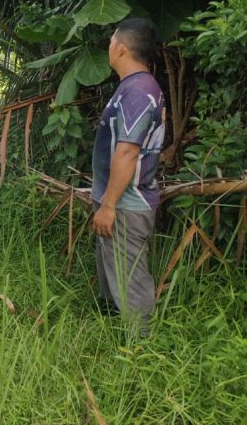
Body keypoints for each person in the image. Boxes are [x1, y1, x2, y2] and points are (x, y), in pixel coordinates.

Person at [90, 17, 165, 335]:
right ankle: (114, 337)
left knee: (130, 279)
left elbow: (127, 152)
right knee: (114, 272)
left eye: (110, 42)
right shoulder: (133, 87)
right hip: (118, 200)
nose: (109, 47)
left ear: (120, 48)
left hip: (125, 204)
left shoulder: (138, 91)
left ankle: (142, 354)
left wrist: (108, 205)